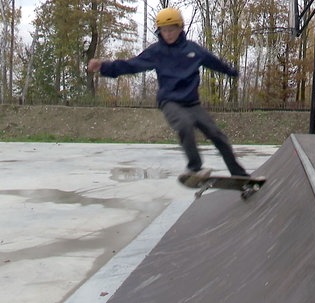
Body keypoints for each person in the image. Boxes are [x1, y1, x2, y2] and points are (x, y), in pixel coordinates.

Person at [87, 7, 249, 182]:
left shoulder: (193, 50)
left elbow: (214, 62)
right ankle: (194, 168)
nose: (169, 34)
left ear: (180, 28)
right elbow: (131, 65)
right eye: (164, 30)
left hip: (192, 103)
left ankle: (239, 174)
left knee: (216, 134)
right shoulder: (156, 52)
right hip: (170, 102)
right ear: (160, 31)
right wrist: (104, 66)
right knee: (185, 125)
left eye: (172, 29)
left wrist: (232, 72)